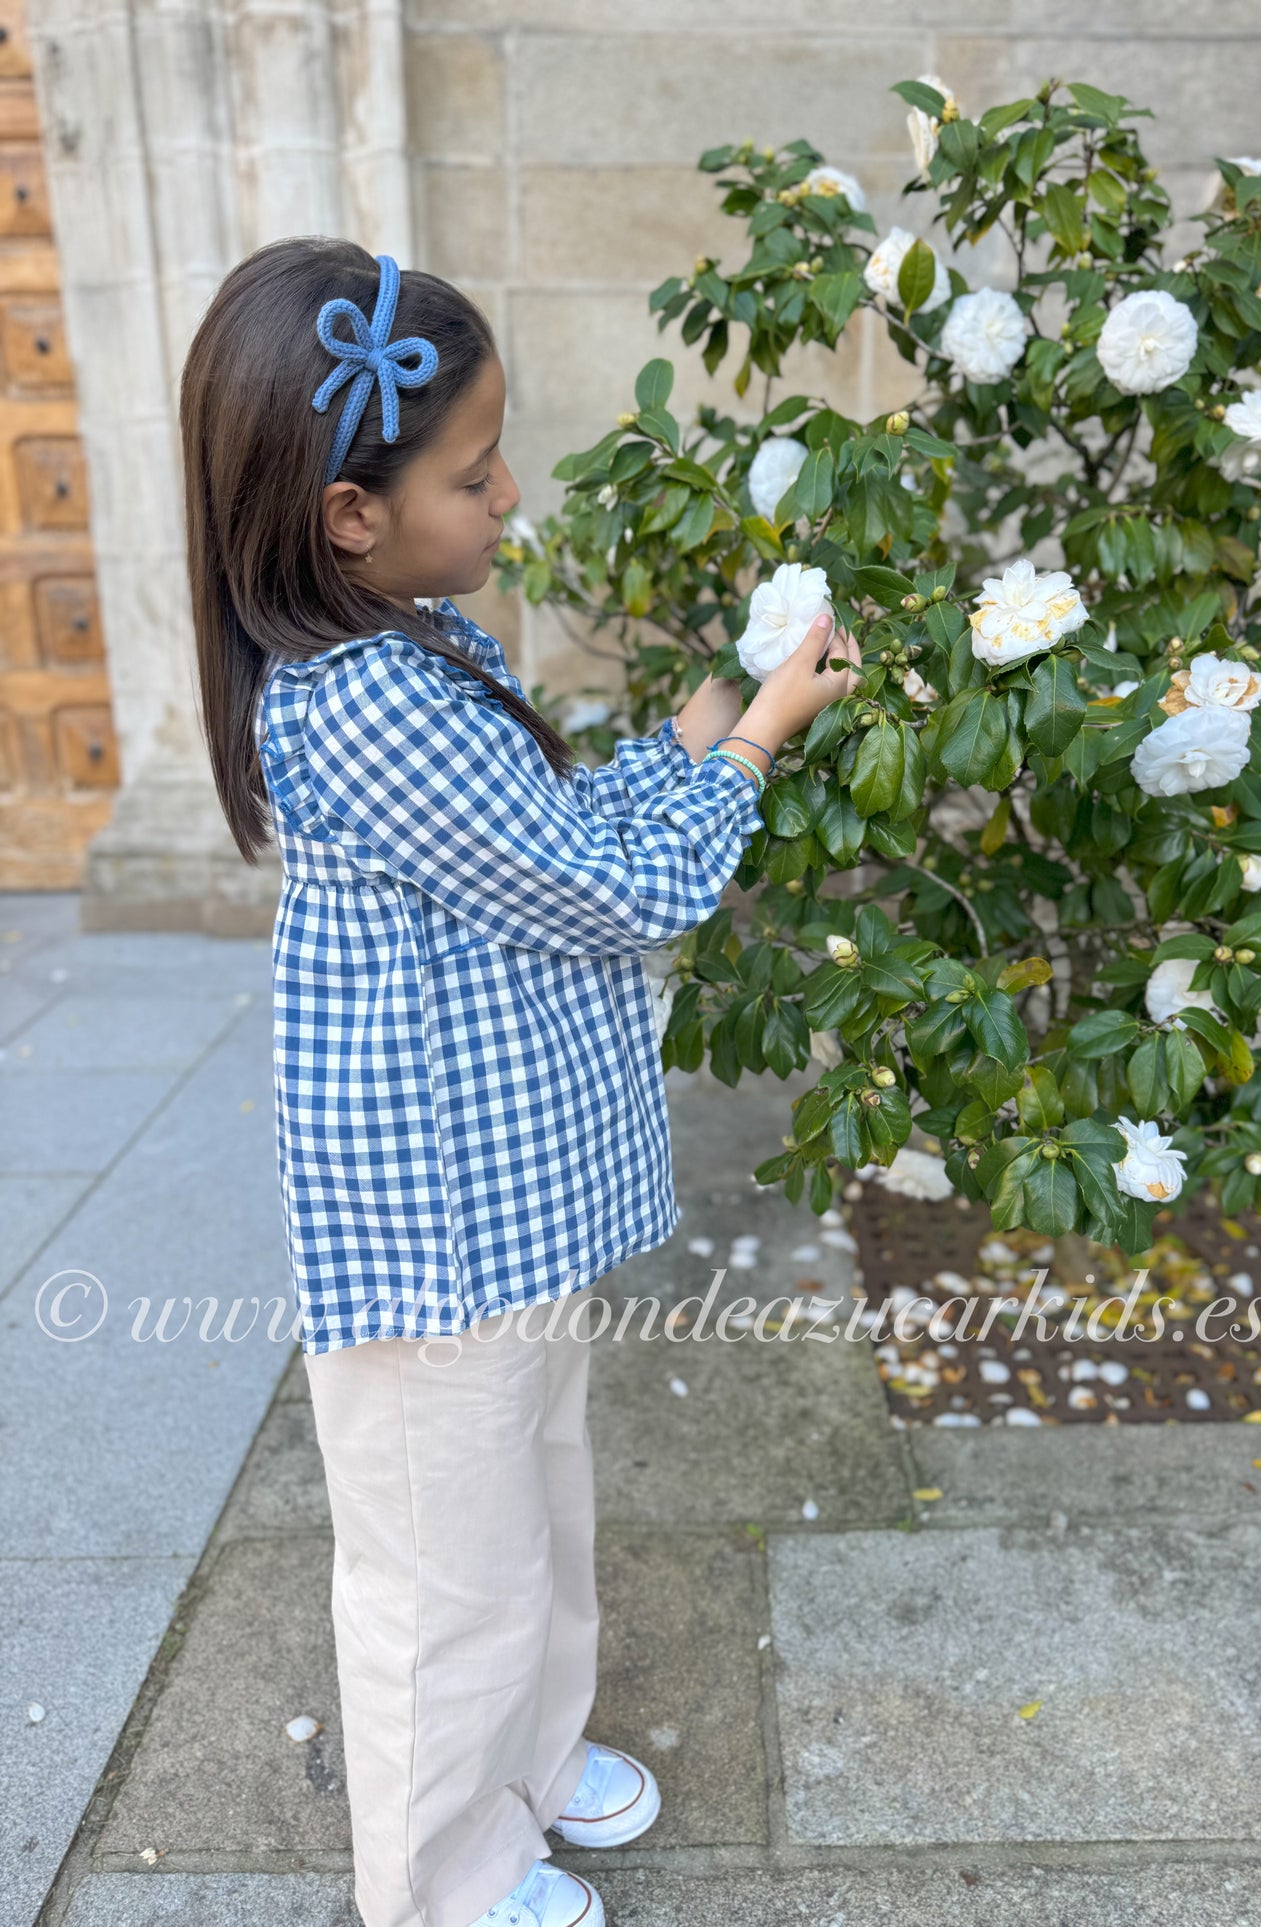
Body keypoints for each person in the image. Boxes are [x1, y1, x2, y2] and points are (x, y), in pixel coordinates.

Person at [180, 236, 862, 1927]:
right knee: (441, 1573)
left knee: (529, 1507)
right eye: (474, 472)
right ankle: (442, 1872)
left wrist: (692, 734)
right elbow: (609, 891)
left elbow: (543, 845)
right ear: (351, 512)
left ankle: (532, 1767)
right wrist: (759, 742)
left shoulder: (409, 645)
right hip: (433, 1231)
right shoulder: (359, 706)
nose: (506, 496)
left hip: (505, 1204)